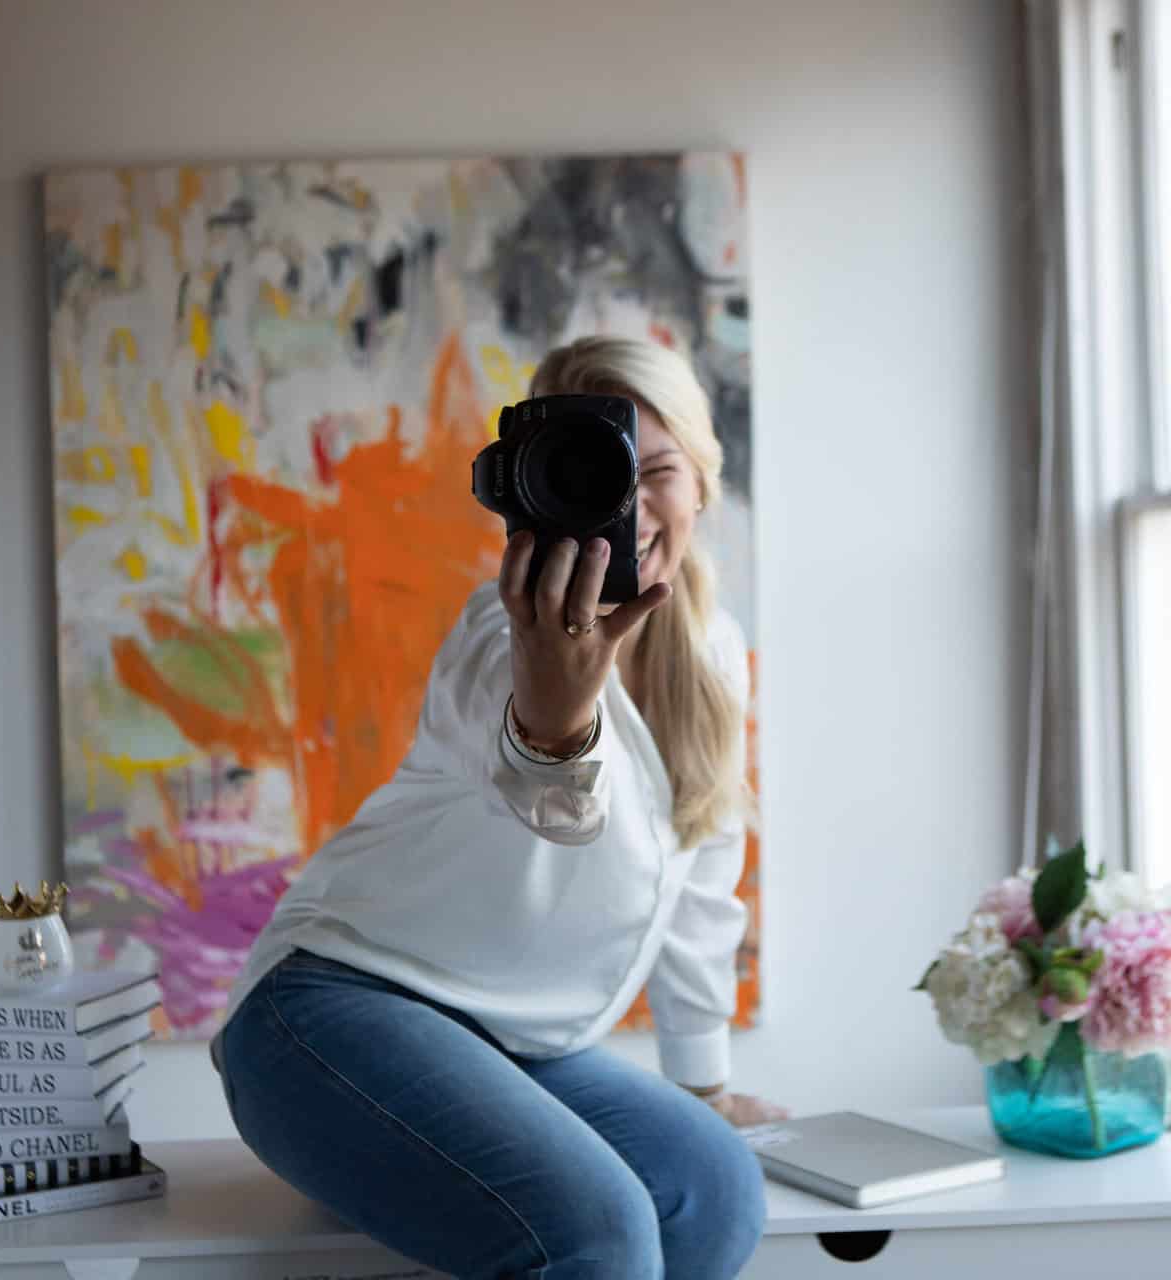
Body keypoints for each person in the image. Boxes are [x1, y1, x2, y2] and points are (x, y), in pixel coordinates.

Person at [211, 336, 777, 1278]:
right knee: (593, 1231)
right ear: (532, 488)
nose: (631, 504)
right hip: (325, 1011)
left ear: (704, 484)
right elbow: (535, 774)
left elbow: (702, 883)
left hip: (504, 1041)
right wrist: (557, 717)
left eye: (662, 472)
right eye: (598, 472)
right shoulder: (500, 633)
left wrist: (704, 1080)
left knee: (715, 1189)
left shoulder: (712, 649)